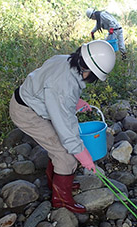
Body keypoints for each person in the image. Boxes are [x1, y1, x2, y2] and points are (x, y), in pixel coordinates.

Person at [9, 40, 116, 213]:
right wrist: (83, 156)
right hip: (26, 112)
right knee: (66, 155)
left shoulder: (64, 60)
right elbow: (67, 129)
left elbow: (50, 88)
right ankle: (61, 200)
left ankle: (57, 182)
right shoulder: (64, 89)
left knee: (61, 148)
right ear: (89, 73)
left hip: (30, 101)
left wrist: (74, 102)